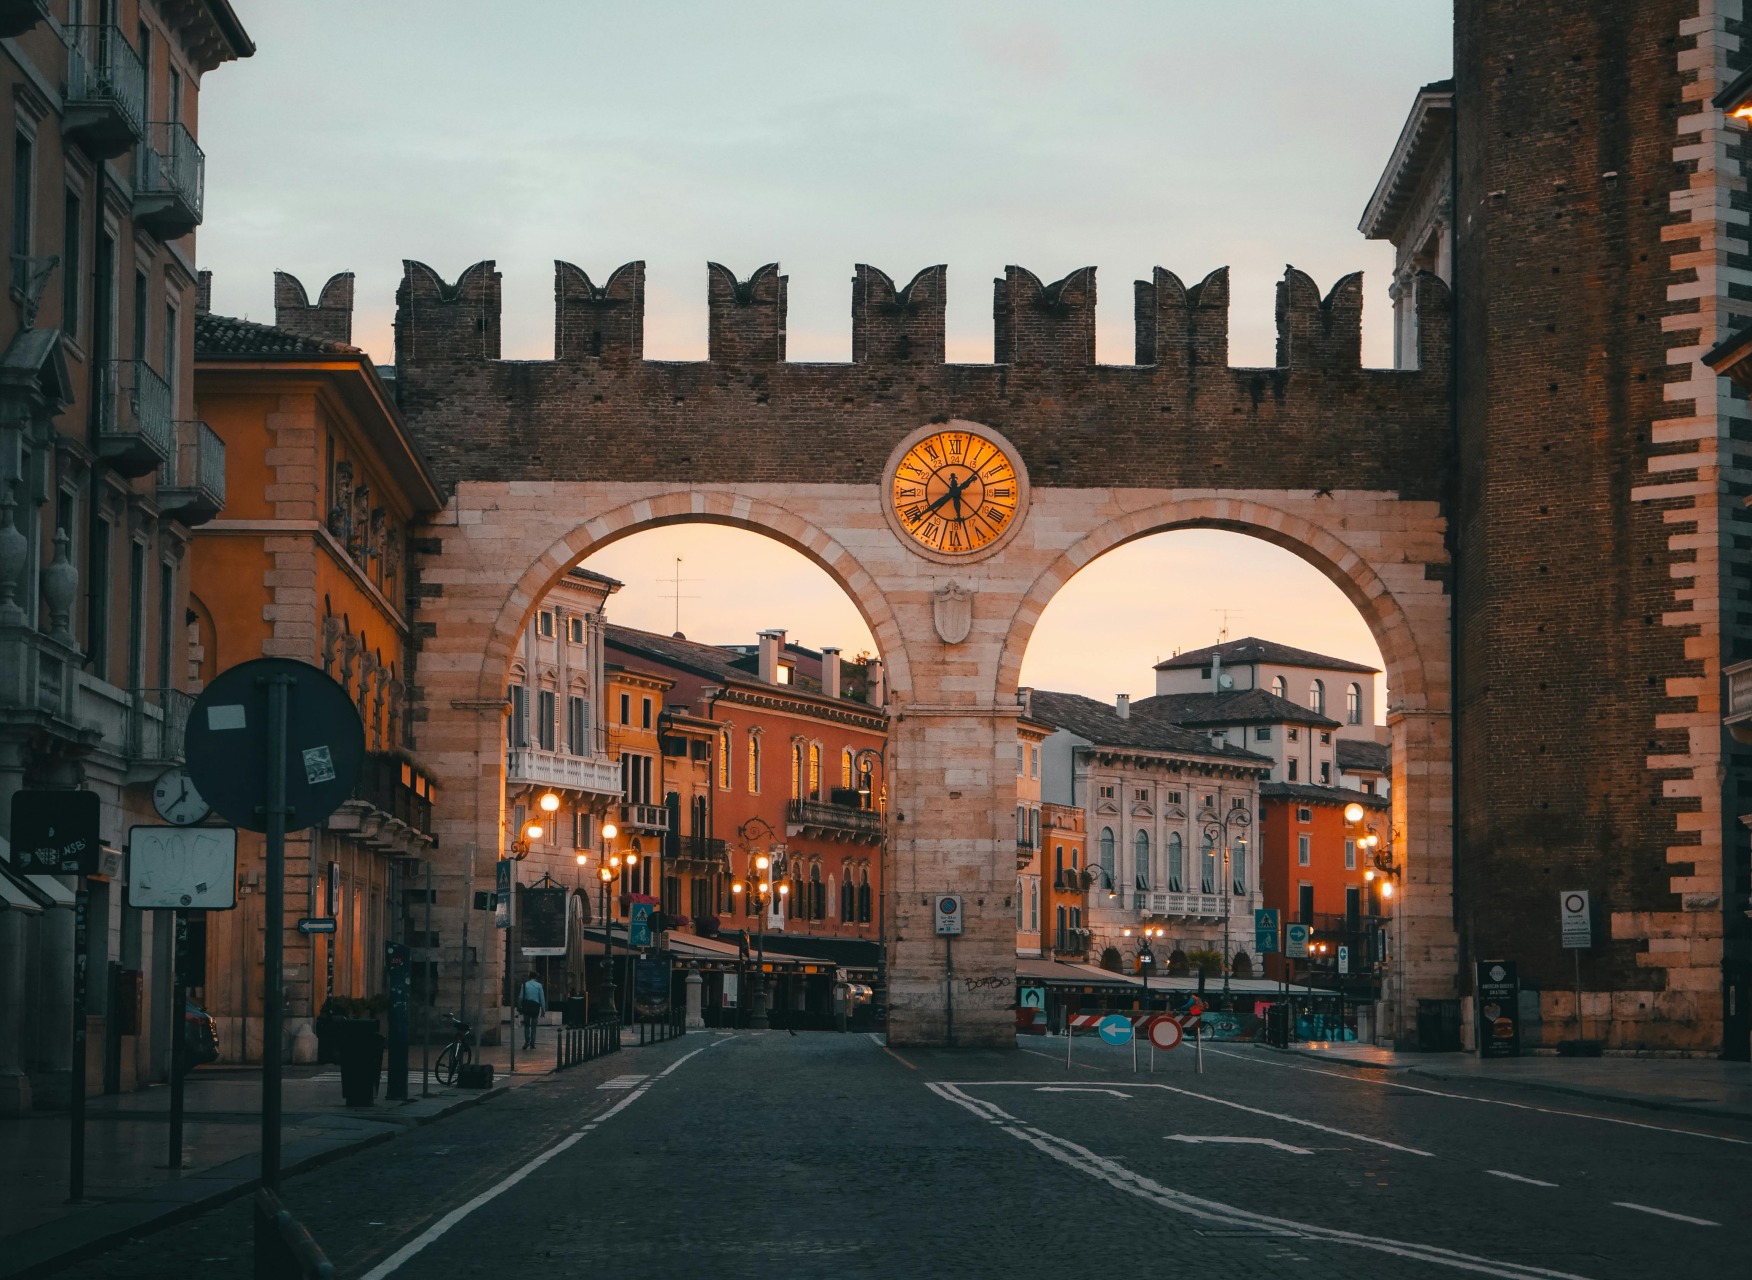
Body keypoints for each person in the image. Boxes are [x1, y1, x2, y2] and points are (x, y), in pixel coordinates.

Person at [518, 970, 547, 1050]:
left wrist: (519, 1006)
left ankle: (527, 1040)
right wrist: (543, 1010)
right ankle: (532, 1043)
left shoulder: (525, 985)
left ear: (529, 977)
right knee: (534, 1026)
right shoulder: (539, 986)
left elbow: (520, 997)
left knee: (527, 1025)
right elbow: (542, 998)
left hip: (527, 1006)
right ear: (536, 977)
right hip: (535, 1007)